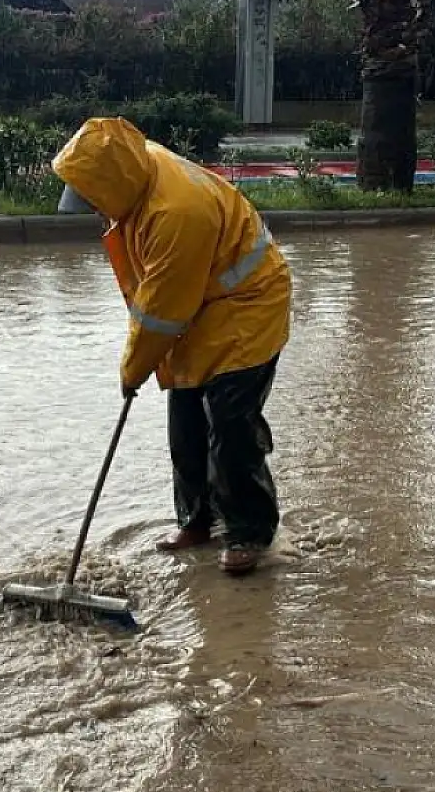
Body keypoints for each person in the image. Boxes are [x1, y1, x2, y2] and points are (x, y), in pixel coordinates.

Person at [51, 116, 292, 575]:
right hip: (199, 306)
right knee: (185, 423)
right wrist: (141, 361)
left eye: (94, 199)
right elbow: (161, 305)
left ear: (113, 184)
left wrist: (131, 371)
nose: (95, 211)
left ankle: (250, 533)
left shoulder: (178, 212)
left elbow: (161, 314)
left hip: (248, 305)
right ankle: (197, 520)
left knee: (230, 424)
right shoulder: (136, 171)